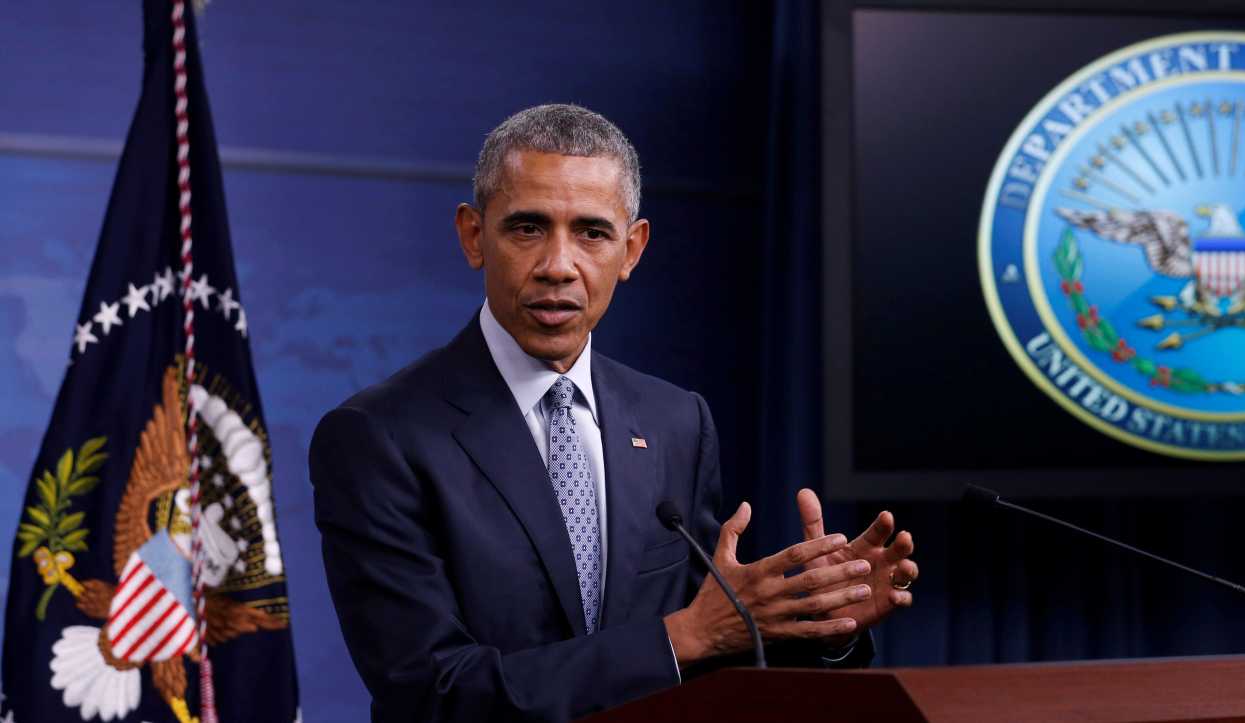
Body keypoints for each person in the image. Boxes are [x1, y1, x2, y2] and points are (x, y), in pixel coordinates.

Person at [309, 104, 919, 722]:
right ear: (473, 236)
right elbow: (432, 692)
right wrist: (684, 635)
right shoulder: (378, 436)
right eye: (527, 228)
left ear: (631, 250)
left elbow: (718, 655)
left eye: (592, 233)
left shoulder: (676, 420)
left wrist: (822, 626)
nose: (557, 266)